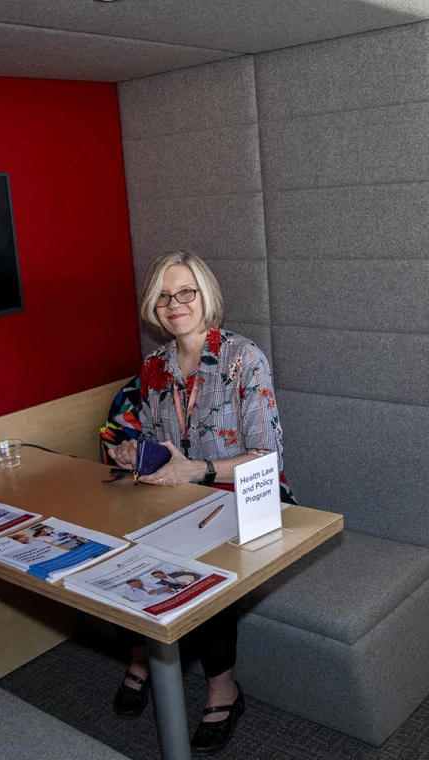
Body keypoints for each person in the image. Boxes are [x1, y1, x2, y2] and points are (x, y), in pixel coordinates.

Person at [109, 250, 290, 755]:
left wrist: (199, 470)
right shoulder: (154, 366)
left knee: (200, 572)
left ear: (206, 295)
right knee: (121, 548)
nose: (174, 303)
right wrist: (133, 453)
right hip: (180, 495)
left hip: (245, 494)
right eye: (164, 296)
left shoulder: (243, 357)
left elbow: (267, 456)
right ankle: (142, 658)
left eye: (185, 291)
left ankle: (223, 691)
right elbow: (156, 443)